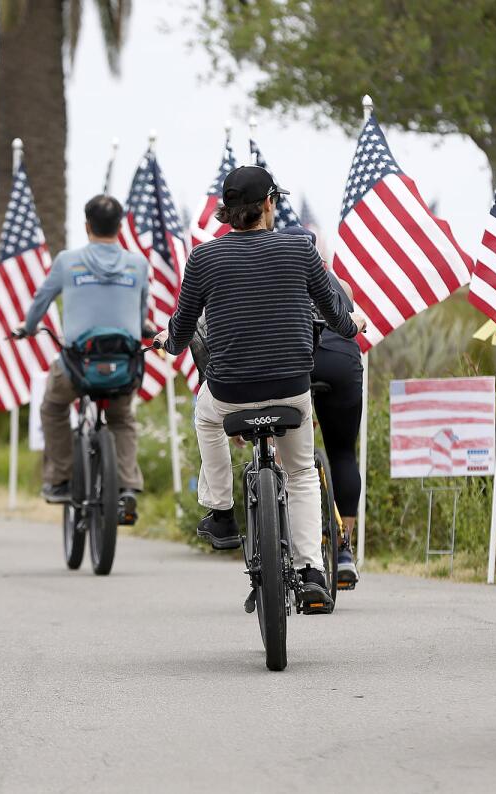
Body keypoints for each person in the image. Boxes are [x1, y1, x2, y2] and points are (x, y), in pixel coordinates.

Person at [154, 165, 366, 612]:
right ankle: (312, 572)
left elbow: (181, 332)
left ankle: (223, 515)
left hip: (230, 391)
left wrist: (164, 340)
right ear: (269, 203)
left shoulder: (203, 259)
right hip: (291, 388)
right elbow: (335, 315)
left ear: (226, 213)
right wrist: (353, 324)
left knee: (205, 415)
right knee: (303, 472)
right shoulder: (299, 247)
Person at [17, 195, 149, 523]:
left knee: (53, 406)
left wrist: (28, 328)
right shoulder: (138, 264)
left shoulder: (67, 261)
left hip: (78, 367)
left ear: (87, 225)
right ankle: (127, 487)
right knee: (122, 420)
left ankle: (60, 478)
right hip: (123, 366)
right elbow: (141, 310)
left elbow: (41, 301)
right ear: (120, 227)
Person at [279, 225, 363, 588]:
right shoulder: (338, 284)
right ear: (319, 256)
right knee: (343, 452)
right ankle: (345, 551)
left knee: (286, 454)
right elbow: (351, 323)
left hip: (294, 363)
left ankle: (285, 536)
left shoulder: (277, 276)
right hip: (340, 363)